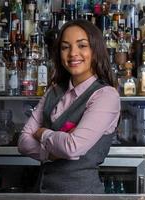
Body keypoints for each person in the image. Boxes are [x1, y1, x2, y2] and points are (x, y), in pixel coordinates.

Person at [18, 19, 121, 194]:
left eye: (82, 45)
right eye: (65, 47)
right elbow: (23, 142)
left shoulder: (105, 96)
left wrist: (43, 133)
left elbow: (72, 148)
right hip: (42, 194)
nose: (73, 53)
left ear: (95, 50)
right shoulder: (54, 91)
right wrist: (52, 151)